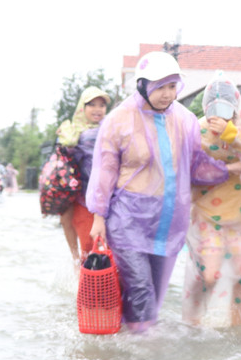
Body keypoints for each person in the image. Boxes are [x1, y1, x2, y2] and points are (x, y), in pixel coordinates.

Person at [87, 51, 230, 330]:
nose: (167, 94)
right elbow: (104, 171)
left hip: (169, 221)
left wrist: (231, 169)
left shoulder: (185, 120)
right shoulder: (119, 120)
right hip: (128, 220)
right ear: (143, 85)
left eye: (172, 86)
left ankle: (131, 341)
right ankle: (143, 356)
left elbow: (196, 164)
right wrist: (98, 217)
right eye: (160, 87)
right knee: (140, 288)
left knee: (155, 294)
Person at [182, 74, 241, 327]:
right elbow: (185, 167)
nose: (220, 119)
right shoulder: (197, 129)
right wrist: (229, 167)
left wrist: (233, 133)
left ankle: (236, 331)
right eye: (215, 114)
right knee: (208, 275)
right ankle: (192, 322)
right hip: (208, 216)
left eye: (228, 113)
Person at [55, 86, 111, 262]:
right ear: (82, 108)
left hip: (106, 198)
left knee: (101, 248)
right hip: (82, 199)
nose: (97, 109)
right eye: (92, 104)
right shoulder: (72, 133)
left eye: (101, 105)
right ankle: (83, 276)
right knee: (90, 246)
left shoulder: (109, 128)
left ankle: (86, 275)